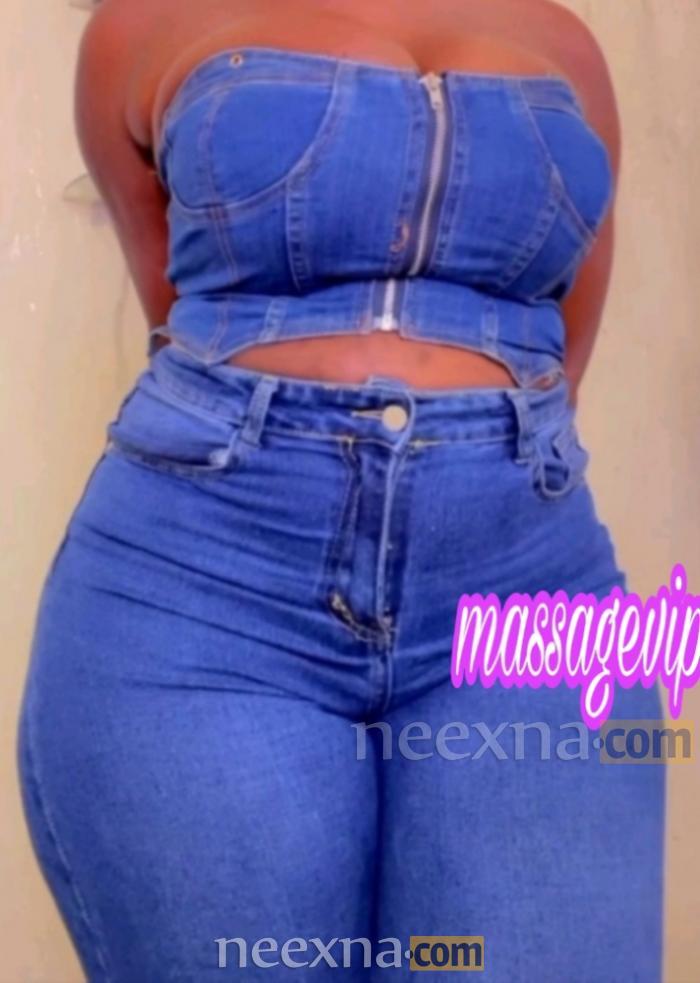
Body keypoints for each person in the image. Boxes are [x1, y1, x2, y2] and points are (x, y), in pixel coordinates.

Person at [16, 0, 665, 979]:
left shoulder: (564, 40)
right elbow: (179, 317)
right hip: (203, 590)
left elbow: (558, 357)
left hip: (530, 585)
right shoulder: (139, 25)